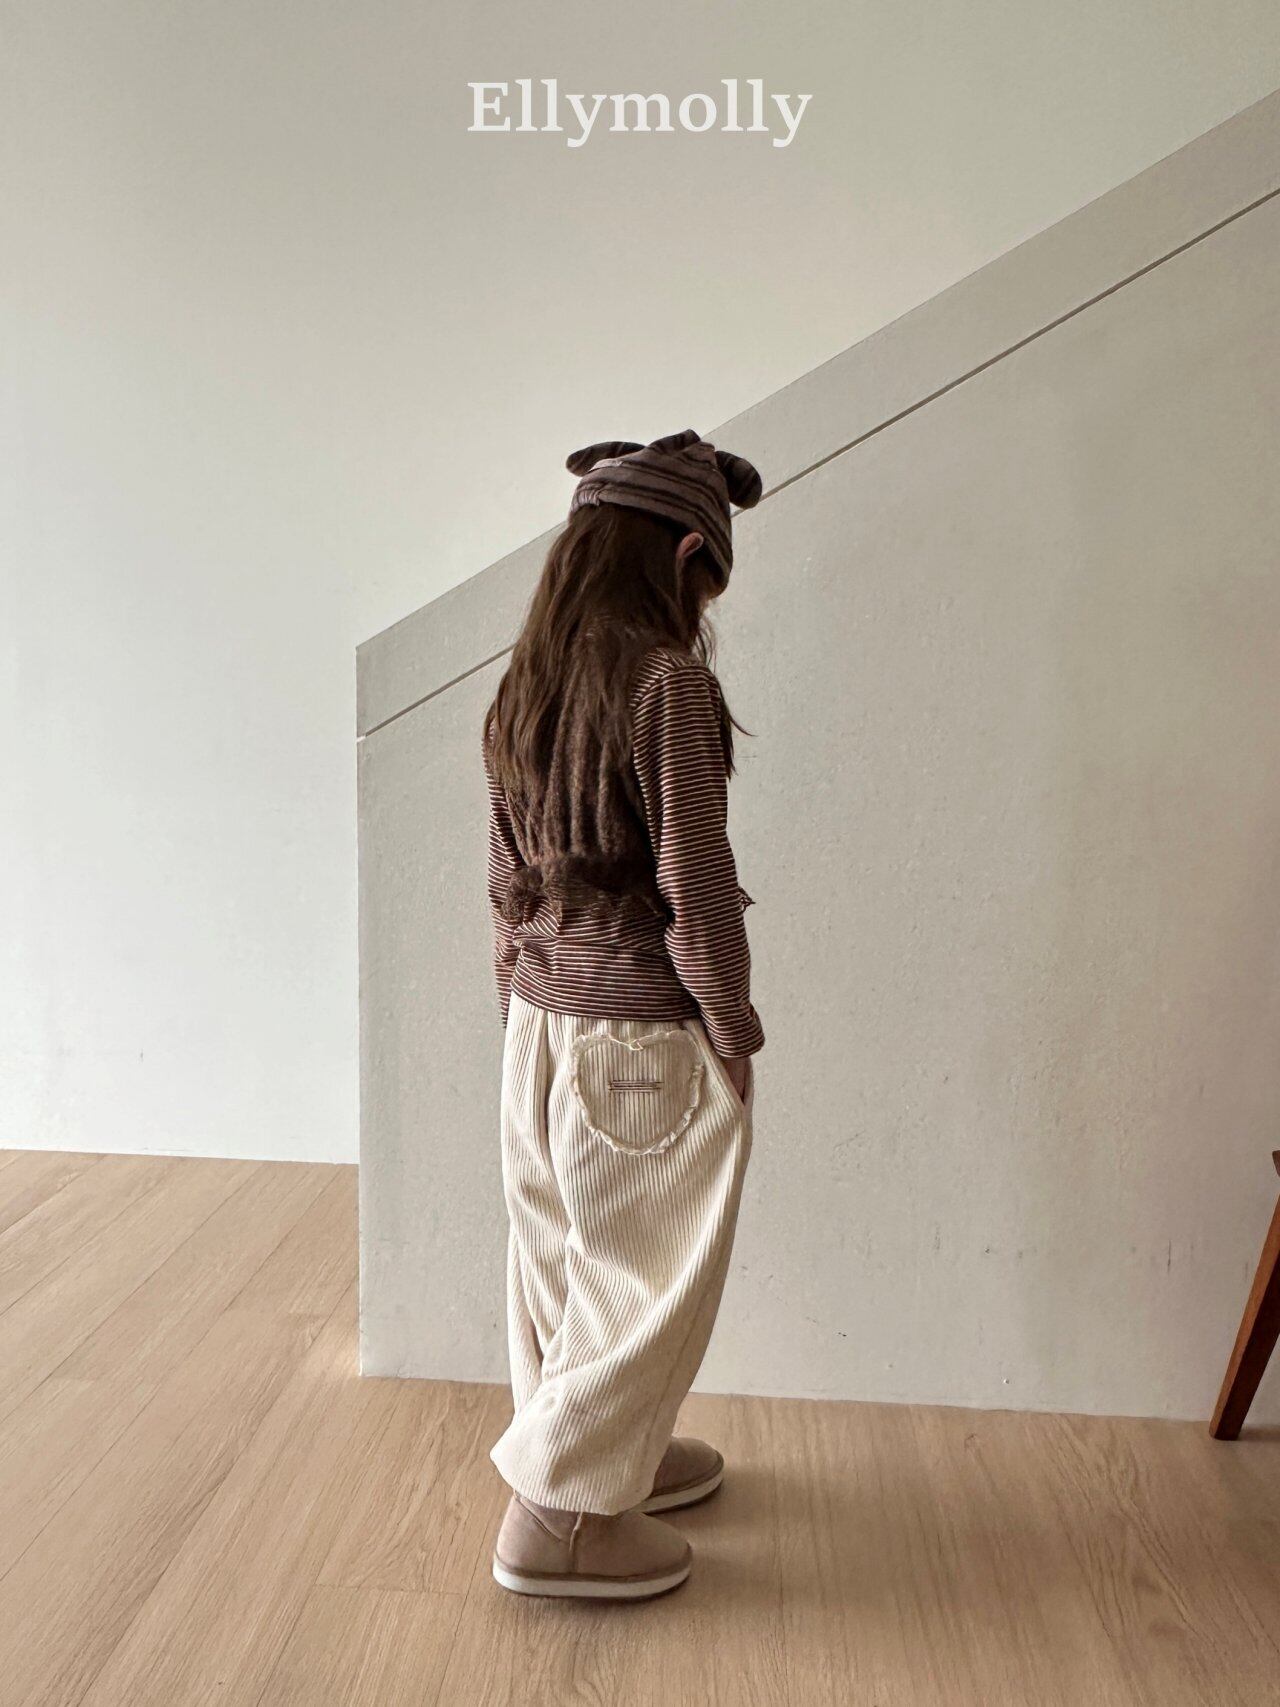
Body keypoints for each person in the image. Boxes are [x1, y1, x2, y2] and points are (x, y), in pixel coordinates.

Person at [481, 428, 765, 1600]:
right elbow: (694, 883)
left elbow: (505, 882)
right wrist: (730, 1029)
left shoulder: (525, 682)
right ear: (686, 554)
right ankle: (562, 1517)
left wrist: (518, 1011)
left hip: (540, 1024)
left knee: (561, 1256)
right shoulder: (665, 683)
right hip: (639, 1030)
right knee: (645, 1267)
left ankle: (608, 1461)